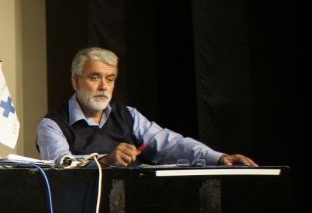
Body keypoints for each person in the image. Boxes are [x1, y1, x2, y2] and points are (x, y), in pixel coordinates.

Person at [37, 47, 257, 166]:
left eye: (110, 79)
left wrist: (217, 158)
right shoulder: (52, 125)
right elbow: (61, 166)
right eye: (95, 77)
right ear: (75, 82)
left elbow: (170, 144)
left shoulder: (128, 116)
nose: (104, 86)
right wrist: (105, 161)